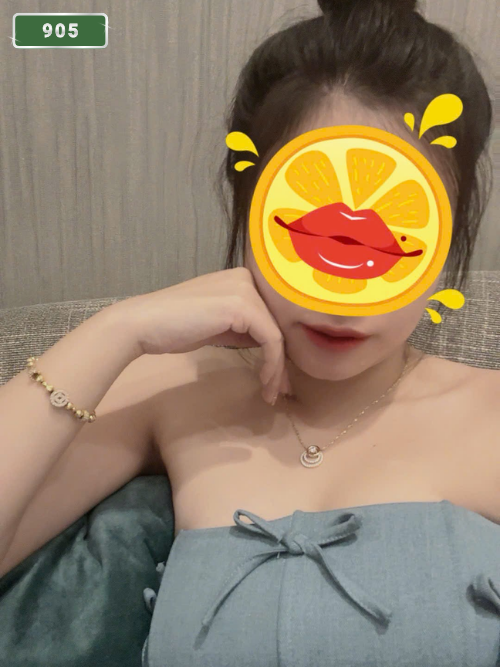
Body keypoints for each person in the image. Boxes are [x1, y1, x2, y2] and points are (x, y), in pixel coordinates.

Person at [0, 0, 498, 664]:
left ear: (449, 239)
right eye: (311, 229)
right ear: (249, 207)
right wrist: (118, 329)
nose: (341, 300)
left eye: (393, 239)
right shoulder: (175, 390)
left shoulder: (490, 415)